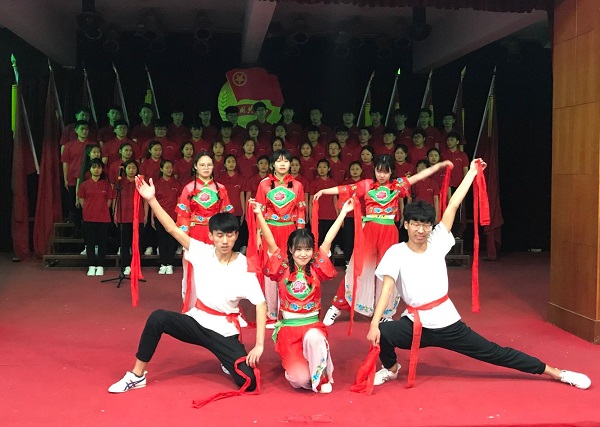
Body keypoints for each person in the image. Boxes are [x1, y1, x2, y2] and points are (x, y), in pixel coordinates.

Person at [367, 159, 591, 391]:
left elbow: (453, 204)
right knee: (383, 332)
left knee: (495, 353)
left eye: (426, 225)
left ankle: (556, 372)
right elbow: (387, 289)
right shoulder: (396, 252)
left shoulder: (437, 242)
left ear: (431, 227)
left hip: (447, 323)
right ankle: (391, 369)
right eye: (415, 224)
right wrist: (374, 324)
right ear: (406, 224)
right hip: (415, 324)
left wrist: (472, 172)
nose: (421, 230)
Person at [108, 176, 266, 394]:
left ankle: (226, 358)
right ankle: (137, 375)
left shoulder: (243, 265)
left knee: (249, 383)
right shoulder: (202, 252)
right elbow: (173, 229)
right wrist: (151, 200)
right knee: (158, 318)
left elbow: (260, 304)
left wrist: (259, 344)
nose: (224, 241)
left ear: (236, 236)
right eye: (219, 235)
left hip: (224, 330)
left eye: (230, 235)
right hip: (197, 321)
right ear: (211, 235)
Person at [316, 155, 453, 325]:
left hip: (389, 232)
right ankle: (337, 307)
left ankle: (383, 311)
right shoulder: (366, 185)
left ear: (391, 172)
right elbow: (346, 188)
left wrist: (439, 165)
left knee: (388, 271)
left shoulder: (397, 185)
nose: (381, 175)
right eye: (378, 171)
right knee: (359, 269)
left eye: (385, 172)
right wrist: (324, 191)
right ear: (374, 170)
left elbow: (418, 176)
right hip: (369, 231)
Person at [249, 197, 355, 393]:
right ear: (290, 250)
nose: (303, 254)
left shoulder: (316, 267)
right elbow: (270, 241)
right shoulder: (282, 268)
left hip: (312, 326)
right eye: (298, 249)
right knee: (300, 380)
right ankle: (301, 362)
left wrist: (343, 213)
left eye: (307, 249)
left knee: (315, 339)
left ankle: (320, 370)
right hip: (289, 331)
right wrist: (258, 215)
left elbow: (328, 240)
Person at [254, 149, 307, 326]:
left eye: (286, 161)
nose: (282, 164)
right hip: (269, 231)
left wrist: (300, 234)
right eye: (279, 161)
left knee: (289, 269)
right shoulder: (264, 185)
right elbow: (259, 212)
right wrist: (258, 234)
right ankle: (271, 313)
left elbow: (301, 211)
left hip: (290, 230)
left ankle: (288, 309)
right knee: (271, 271)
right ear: (272, 164)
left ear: (291, 164)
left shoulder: (297, 185)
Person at [77, 159, 114, 276]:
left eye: (98, 167)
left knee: (102, 243)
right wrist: (89, 209)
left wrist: (102, 209)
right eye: (94, 167)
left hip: (103, 217)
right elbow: (82, 200)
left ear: (102, 169)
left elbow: (109, 201)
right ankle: (91, 265)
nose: (96, 169)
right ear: (90, 169)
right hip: (88, 218)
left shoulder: (106, 185)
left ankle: (101, 265)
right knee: (90, 243)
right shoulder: (84, 185)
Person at [112, 159, 146, 275]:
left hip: (138, 215)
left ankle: (136, 265)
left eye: (134, 168)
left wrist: (145, 215)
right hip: (123, 216)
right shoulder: (119, 183)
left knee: (137, 243)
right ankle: (126, 265)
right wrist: (115, 214)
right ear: (125, 170)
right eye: (129, 168)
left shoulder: (141, 183)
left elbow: (146, 200)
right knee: (124, 243)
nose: (131, 170)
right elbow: (115, 199)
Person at [153, 160, 183, 274]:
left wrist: (180, 216)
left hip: (173, 215)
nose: (169, 170)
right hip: (159, 216)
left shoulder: (177, 184)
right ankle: (163, 263)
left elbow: (180, 201)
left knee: (171, 240)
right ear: (161, 169)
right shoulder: (157, 184)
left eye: (171, 167)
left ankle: (170, 264)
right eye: (166, 167)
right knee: (161, 240)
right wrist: (152, 217)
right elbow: (153, 202)